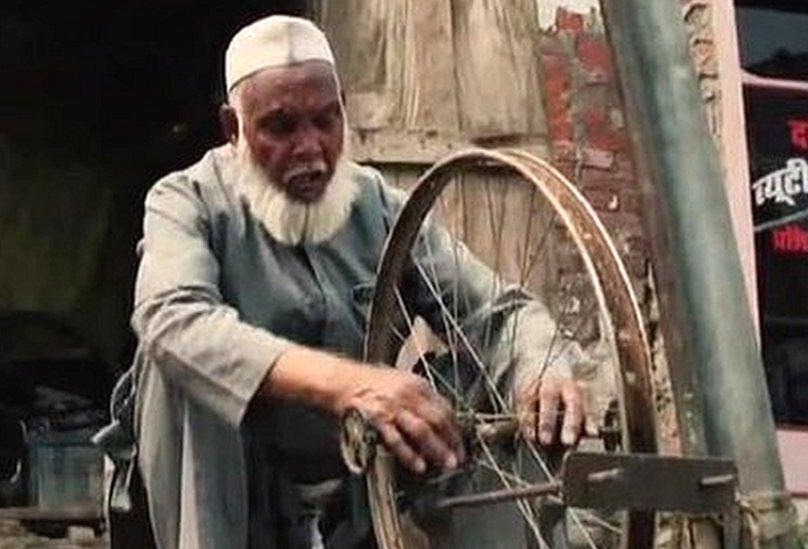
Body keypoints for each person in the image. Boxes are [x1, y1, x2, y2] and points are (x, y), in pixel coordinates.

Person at [98, 14, 587, 549]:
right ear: (232, 128)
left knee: (495, 368)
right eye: (280, 127)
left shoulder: (376, 206)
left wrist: (541, 370)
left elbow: (500, 310)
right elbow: (173, 320)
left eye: (326, 121)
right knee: (181, 364)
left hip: (350, 478)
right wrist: (352, 384)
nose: (311, 148)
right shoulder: (185, 201)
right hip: (223, 489)